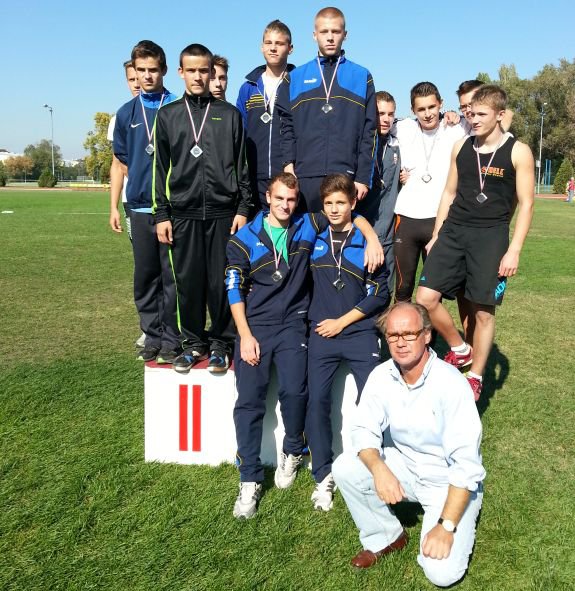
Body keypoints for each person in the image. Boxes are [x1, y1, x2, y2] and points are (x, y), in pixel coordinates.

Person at [225, 172, 384, 519]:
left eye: (291, 199)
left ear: (297, 202)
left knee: (297, 393)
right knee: (249, 402)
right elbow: (234, 288)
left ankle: (293, 448)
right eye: (279, 198)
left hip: (294, 324)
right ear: (268, 198)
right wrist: (245, 335)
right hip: (255, 327)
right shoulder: (243, 239)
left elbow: (347, 212)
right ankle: (249, 478)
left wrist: (371, 236)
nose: (285, 205)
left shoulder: (307, 225)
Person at [333, 302, 485, 587]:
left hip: (447, 483)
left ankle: (451, 522)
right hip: (406, 466)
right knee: (345, 467)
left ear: (426, 335)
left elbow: (465, 466)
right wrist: (379, 469)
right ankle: (386, 536)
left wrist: (446, 526)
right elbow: (362, 429)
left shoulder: (451, 384)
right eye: (393, 335)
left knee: (441, 573)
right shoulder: (381, 375)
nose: (400, 343)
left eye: (409, 334)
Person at [416, 85, 535, 400]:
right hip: (454, 230)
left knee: (483, 311)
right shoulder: (461, 147)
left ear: (500, 115)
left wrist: (514, 250)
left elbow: (527, 204)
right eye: (471, 114)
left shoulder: (518, 151)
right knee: (425, 297)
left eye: (482, 114)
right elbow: (449, 193)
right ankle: (460, 348)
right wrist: (437, 235)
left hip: (491, 236)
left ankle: (476, 376)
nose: (474, 119)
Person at [153, 43, 252, 374]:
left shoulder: (230, 115)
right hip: (183, 214)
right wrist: (162, 214)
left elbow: (242, 167)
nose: (198, 77)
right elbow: (159, 170)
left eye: (204, 71)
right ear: (181, 72)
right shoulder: (168, 116)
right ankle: (193, 343)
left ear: (212, 73)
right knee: (188, 284)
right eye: (191, 70)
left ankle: (222, 343)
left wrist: (243, 209)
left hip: (224, 215)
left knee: (222, 282)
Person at [306, 174, 390, 512]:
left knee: (372, 402)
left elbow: (380, 294)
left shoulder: (368, 243)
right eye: (328, 203)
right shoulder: (312, 236)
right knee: (316, 402)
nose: (334, 209)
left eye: (341, 202)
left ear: (353, 203)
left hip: (359, 332)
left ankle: (373, 468)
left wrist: (342, 322)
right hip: (321, 332)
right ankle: (323, 475)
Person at [113, 40, 180, 363]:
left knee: (172, 278)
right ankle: (151, 335)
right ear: (134, 72)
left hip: (173, 209)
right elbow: (123, 160)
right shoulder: (126, 113)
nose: (147, 76)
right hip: (139, 208)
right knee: (145, 277)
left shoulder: (178, 107)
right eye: (141, 70)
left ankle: (172, 336)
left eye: (153, 70)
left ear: (164, 70)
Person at [276, 6, 376, 212]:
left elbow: (370, 131)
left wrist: (363, 177)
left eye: (336, 31)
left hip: (346, 175)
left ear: (345, 35)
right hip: (304, 176)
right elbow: (286, 127)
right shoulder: (295, 78)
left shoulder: (361, 75)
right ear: (314, 35)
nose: (330, 37)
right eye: (324, 32)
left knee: (343, 233)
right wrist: (288, 166)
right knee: (305, 232)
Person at [393, 82, 466, 303]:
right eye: (421, 109)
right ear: (413, 110)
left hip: (440, 220)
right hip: (406, 219)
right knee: (402, 288)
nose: (427, 114)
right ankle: (399, 327)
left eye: (432, 107)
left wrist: (456, 114)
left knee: (433, 294)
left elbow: (501, 118)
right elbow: (375, 122)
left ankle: (429, 329)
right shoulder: (404, 127)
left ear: (441, 104)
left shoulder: (457, 128)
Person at [236, 19, 295, 210]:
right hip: (255, 175)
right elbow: (241, 132)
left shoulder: (298, 84)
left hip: (288, 175)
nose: (273, 48)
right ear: (262, 47)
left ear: (290, 48)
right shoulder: (248, 88)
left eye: (279, 43)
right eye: (268, 43)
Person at [108, 59, 144, 348]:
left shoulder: (165, 109)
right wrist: (113, 207)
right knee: (143, 266)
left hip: (161, 202)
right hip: (133, 204)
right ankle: (148, 327)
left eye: (140, 76)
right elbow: (117, 165)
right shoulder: (120, 117)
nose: (137, 83)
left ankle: (172, 326)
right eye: (132, 79)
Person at [356, 91, 401, 293]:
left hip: (386, 230)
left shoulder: (398, 143)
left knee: (384, 289)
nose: (386, 119)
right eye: (380, 113)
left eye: (390, 114)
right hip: (359, 229)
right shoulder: (358, 146)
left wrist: (448, 115)